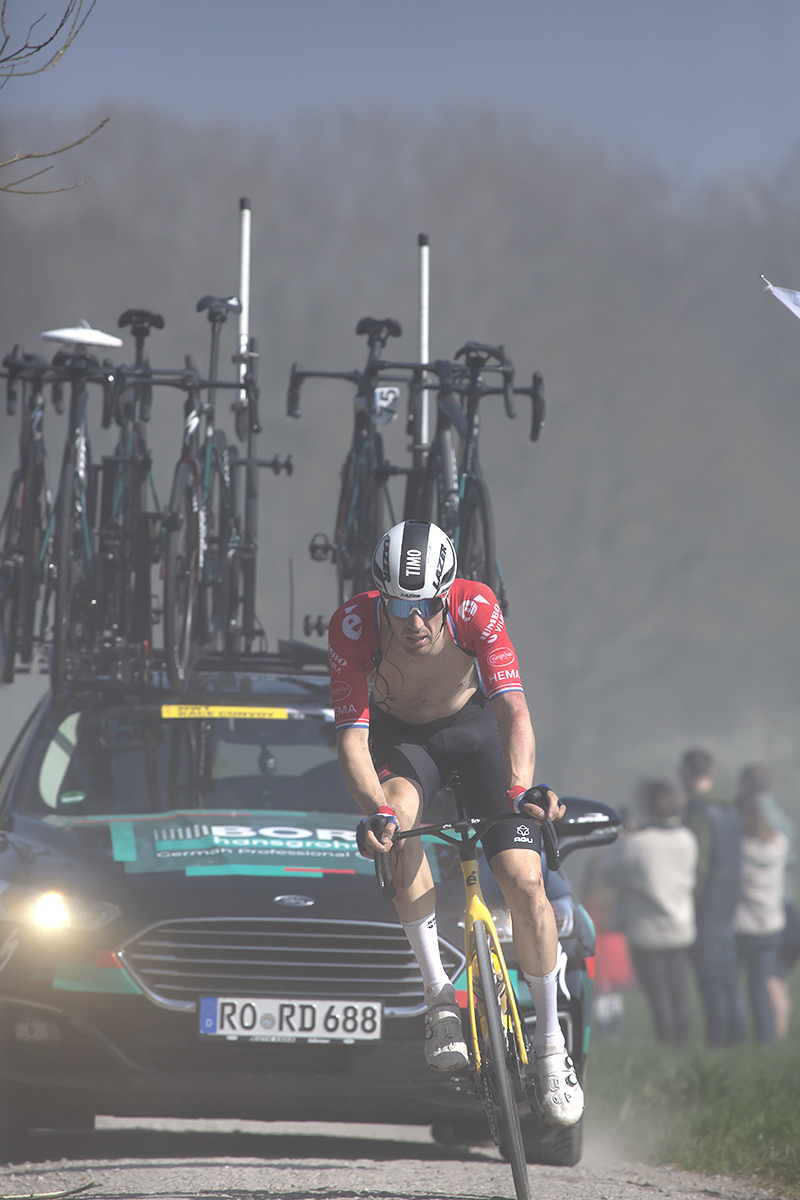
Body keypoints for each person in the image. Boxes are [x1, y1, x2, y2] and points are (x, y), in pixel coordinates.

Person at [328, 520, 583, 1128]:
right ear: (379, 597)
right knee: (398, 817)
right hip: (404, 742)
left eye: (424, 605)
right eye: (397, 604)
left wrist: (520, 790)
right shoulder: (354, 627)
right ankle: (440, 997)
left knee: (525, 882)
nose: (412, 621)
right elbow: (352, 741)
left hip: (474, 734)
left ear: (446, 594)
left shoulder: (476, 606)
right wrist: (379, 814)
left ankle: (550, 1046)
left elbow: (512, 709)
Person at [600, 779, 698, 1044]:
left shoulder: (638, 844)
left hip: (647, 929)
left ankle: (667, 1042)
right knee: (679, 991)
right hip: (681, 924)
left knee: (658, 993)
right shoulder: (688, 838)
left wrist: (623, 840)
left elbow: (608, 873)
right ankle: (683, 1041)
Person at [680, 748, 744, 1047]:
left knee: (710, 979)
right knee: (729, 977)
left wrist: (690, 898)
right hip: (730, 899)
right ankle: (738, 1039)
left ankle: (718, 1043)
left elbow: (699, 862)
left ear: (688, 773)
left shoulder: (698, 811)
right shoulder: (731, 809)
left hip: (706, 904)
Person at [737, 765, 800, 1039]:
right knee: (777, 977)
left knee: (767, 978)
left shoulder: (747, 817)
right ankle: (777, 1034)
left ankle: (773, 1036)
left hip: (760, 908)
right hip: (785, 904)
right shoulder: (784, 820)